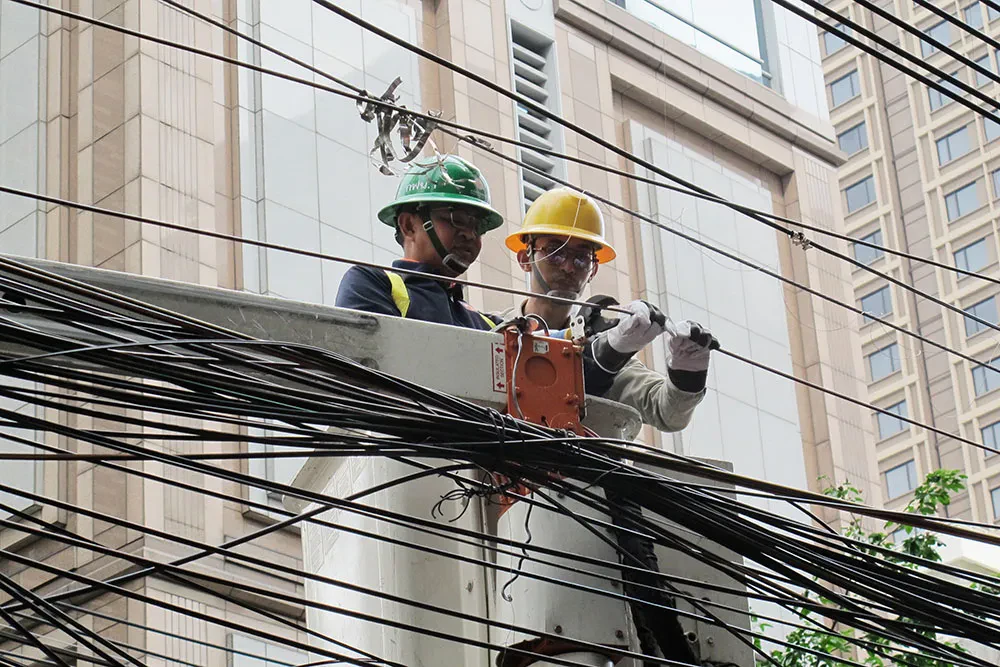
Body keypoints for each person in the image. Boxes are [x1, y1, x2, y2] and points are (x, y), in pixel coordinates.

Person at [335, 154, 668, 400]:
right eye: (457, 219)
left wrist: (613, 344)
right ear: (408, 225)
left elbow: (558, 375)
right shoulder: (374, 285)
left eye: (477, 227)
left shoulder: (480, 322)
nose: (470, 235)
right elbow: (370, 379)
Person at [501, 187, 718, 433]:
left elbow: (667, 412)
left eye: (582, 258)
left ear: (593, 270)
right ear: (524, 258)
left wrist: (688, 374)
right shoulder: (494, 332)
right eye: (555, 253)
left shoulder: (608, 354)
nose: (569, 267)